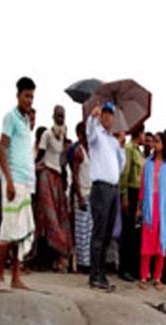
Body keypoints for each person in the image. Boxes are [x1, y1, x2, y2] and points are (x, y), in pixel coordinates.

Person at [0, 76, 37, 290]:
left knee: (21, 231)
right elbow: (1, 148)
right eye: (26, 96)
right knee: (8, 230)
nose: (29, 100)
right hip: (13, 180)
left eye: (32, 96)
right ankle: (1, 277)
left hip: (25, 181)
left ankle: (16, 277)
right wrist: (8, 180)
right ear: (18, 95)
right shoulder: (10, 117)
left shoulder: (26, 120)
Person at [85, 102, 126, 291]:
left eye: (111, 114)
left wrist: (122, 147)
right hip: (100, 188)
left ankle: (101, 274)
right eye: (106, 113)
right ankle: (94, 276)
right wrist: (92, 117)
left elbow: (120, 166)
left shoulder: (112, 140)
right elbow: (90, 135)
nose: (108, 117)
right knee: (99, 232)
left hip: (112, 188)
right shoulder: (97, 135)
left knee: (108, 233)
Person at [33, 104, 72, 271]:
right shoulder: (47, 135)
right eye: (58, 115)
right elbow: (40, 155)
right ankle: (41, 257)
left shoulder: (62, 136)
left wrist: (64, 180)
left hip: (57, 177)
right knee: (48, 216)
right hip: (46, 175)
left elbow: (62, 161)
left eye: (62, 116)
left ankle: (57, 257)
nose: (60, 118)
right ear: (53, 116)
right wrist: (33, 168)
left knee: (59, 215)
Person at [138, 131, 166, 290]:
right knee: (147, 241)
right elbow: (142, 186)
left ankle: (157, 277)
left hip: (162, 206)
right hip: (149, 206)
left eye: (158, 141)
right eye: (154, 141)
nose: (154, 144)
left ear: (164, 144)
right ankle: (143, 276)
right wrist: (139, 207)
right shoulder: (148, 163)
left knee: (161, 242)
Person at [119, 123, 145, 281]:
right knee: (127, 231)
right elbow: (126, 172)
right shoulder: (129, 149)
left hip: (138, 194)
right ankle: (124, 268)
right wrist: (124, 196)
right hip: (130, 190)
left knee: (136, 233)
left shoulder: (138, 151)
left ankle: (133, 268)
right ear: (139, 133)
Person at [71, 120, 93, 273]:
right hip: (82, 193)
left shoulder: (91, 150)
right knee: (81, 231)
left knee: (90, 230)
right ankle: (81, 264)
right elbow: (75, 175)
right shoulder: (79, 151)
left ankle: (88, 262)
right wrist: (78, 196)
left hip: (92, 193)